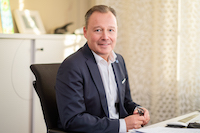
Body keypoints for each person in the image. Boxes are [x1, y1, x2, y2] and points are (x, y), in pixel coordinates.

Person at [55, 5, 150, 133]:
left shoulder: (119, 61)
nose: (105, 37)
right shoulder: (72, 66)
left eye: (111, 30)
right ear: (85, 32)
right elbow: (73, 120)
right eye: (98, 30)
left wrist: (137, 109)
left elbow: (125, 102)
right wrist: (122, 125)